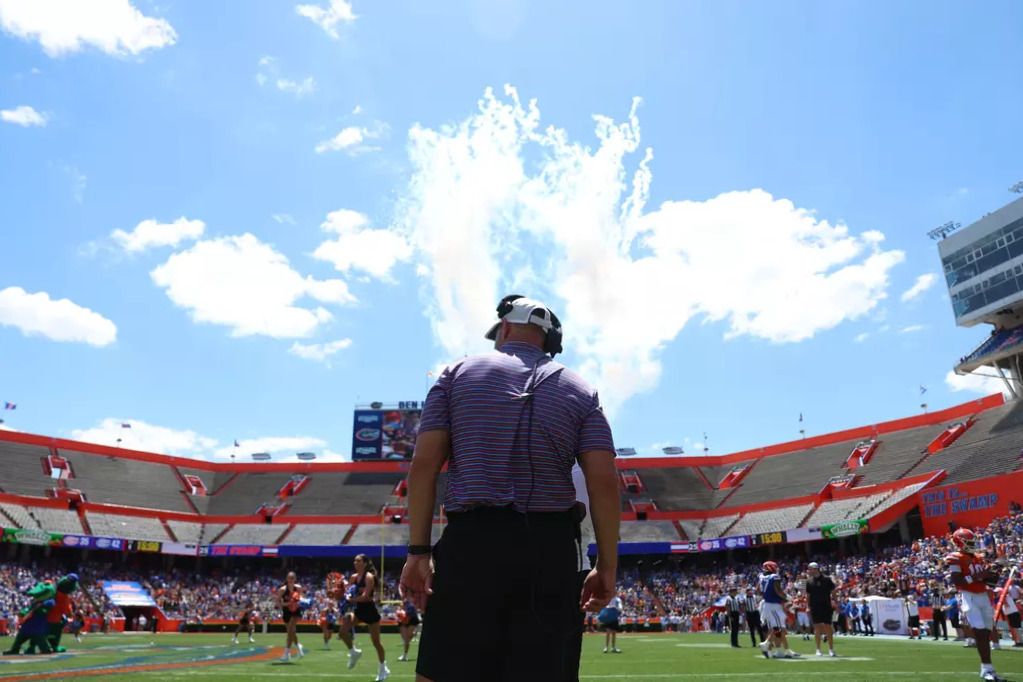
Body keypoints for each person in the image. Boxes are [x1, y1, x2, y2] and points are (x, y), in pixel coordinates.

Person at [399, 294, 620, 682]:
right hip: (550, 550)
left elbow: (423, 466)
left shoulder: (455, 374)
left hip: (472, 543)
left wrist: (418, 552)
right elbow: (603, 481)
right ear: (549, 340)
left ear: (504, 328)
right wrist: (606, 566)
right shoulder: (582, 389)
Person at [946, 528, 1005, 681]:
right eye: (969, 541)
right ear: (960, 542)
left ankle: (987, 669)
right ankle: (987, 669)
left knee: (986, 633)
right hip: (968, 596)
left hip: (983, 595)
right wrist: (979, 575)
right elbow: (958, 581)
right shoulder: (955, 557)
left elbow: (988, 581)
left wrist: (995, 573)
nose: (972, 544)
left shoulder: (978, 557)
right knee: (979, 632)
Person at [338, 554, 389, 682]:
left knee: (376, 642)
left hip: (369, 611)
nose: (355, 563)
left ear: (365, 563)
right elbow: (348, 593)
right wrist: (339, 593)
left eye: (358, 561)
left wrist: (351, 599)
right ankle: (354, 652)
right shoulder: (353, 577)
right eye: (355, 560)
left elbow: (366, 597)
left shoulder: (369, 577)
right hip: (358, 610)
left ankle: (383, 668)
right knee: (343, 632)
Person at [758, 561, 799, 660]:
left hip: (766, 604)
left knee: (778, 629)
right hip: (773, 605)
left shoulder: (761, 577)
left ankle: (780, 651)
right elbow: (778, 590)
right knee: (778, 627)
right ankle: (767, 644)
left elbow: (758, 591)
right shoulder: (774, 577)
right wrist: (787, 597)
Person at [805, 562, 838, 657]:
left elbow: (833, 592)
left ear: (815, 569)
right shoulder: (809, 581)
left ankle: (831, 649)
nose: (809, 571)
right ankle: (818, 649)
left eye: (810, 569)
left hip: (826, 606)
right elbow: (807, 596)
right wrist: (807, 606)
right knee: (817, 627)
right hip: (815, 607)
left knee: (828, 627)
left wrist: (836, 603)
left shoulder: (827, 579)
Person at [275, 572, 305, 662]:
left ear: (295, 579)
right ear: (287, 579)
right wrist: (288, 603)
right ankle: (298, 647)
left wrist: (299, 601)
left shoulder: (298, 588)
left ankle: (287, 653)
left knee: (290, 629)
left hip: (296, 611)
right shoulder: (282, 589)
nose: (290, 580)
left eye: (292, 578)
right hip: (286, 611)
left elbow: (302, 598)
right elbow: (278, 602)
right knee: (292, 631)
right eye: (289, 578)